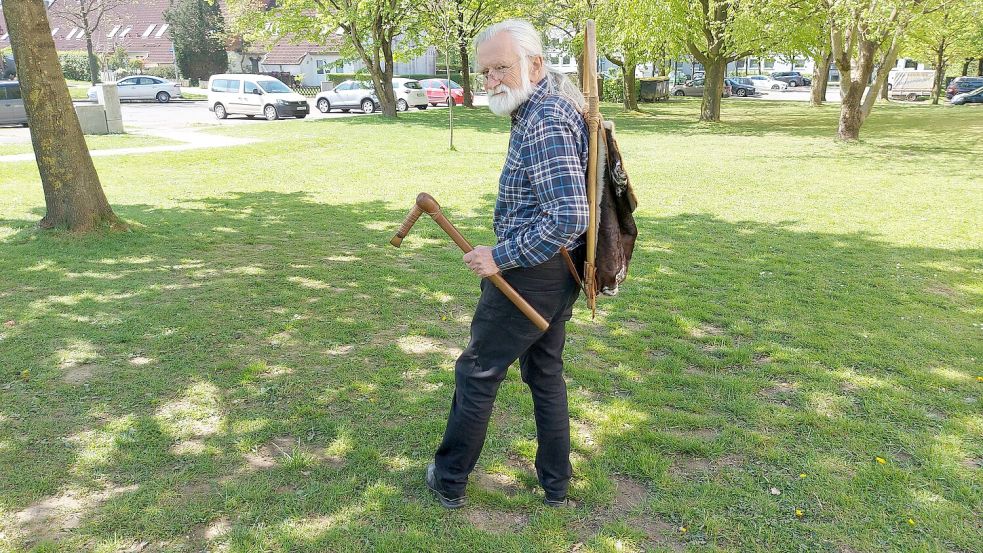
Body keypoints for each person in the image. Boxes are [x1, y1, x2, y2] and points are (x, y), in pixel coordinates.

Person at [426, 19, 589, 509]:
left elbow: (569, 215)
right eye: (485, 72)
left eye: (501, 68)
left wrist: (500, 255)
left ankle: (449, 478)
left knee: (477, 371)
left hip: (533, 273)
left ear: (535, 65)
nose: (492, 81)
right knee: (544, 373)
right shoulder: (542, 105)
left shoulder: (545, 121)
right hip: (558, 271)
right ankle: (556, 486)